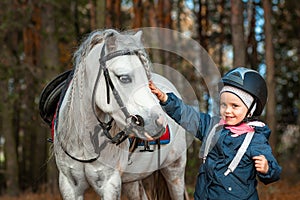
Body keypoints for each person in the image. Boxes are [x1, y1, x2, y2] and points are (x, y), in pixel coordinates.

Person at [149, 67, 282, 200]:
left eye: (234, 106)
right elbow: (188, 116)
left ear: (251, 110)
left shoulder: (255, 139)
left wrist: (267, 169)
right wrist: (166, 99)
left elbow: (274, 171)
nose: (227, 111)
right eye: (224, 105)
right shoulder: (211, 127)